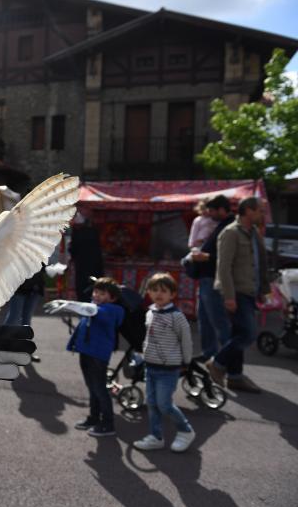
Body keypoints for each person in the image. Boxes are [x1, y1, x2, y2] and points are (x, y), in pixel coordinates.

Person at [207, 196, 268, 393]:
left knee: (238, 333)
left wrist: (263, 289)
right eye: (260, 210)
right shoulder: (231, 233)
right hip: (236, 292)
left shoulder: (254, 233)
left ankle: (235, 376)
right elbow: (224, 267)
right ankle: (217, 363)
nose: (263, 214)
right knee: (248, 334)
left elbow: (260, 264)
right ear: (248, 211)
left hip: (250, 290)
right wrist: (229, 296)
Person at [133, 273, 196, 453]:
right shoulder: (150, 312)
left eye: (163, 291)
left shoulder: (177, 316)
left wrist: (186, 361)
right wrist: (143, 355)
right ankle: (156, 436)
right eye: (154, 290)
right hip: (150, 366)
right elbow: (149, 337)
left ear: (172, 294)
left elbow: (186, 340)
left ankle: (185, 430)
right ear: (149, 292)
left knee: (164, 404)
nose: (158, 294)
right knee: (152, 404)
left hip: (168, 369)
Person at [61, 277, 125, 437]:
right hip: (86, 352)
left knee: (99, 388)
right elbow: (82, 327)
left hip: (98, 355)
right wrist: (73, 344)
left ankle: (108, 423)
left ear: (113, 298)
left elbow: (97, 313)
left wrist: (74, 306)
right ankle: (94, 417)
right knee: (92, 387)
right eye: (96, 291)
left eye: (102, 293)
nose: (96, 295)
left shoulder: (112, 310)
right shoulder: (92, 307)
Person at [191, 194, 234, 360]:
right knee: (204, 318)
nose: (209, 214)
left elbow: (228, 256)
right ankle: (210, 352)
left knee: (218, 319)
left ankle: (227, 357)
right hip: (205, 276)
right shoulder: (220, 224)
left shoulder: (229, 226)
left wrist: (207, 257)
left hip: (214, 278)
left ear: (221, 210)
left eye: (212, 211)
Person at [68, 211, 104, 302]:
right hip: (95, 265)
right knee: (94, 287)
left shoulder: (77, 233)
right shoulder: (94, 232)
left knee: (82, 289)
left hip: (81, 265)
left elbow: (72, 249)